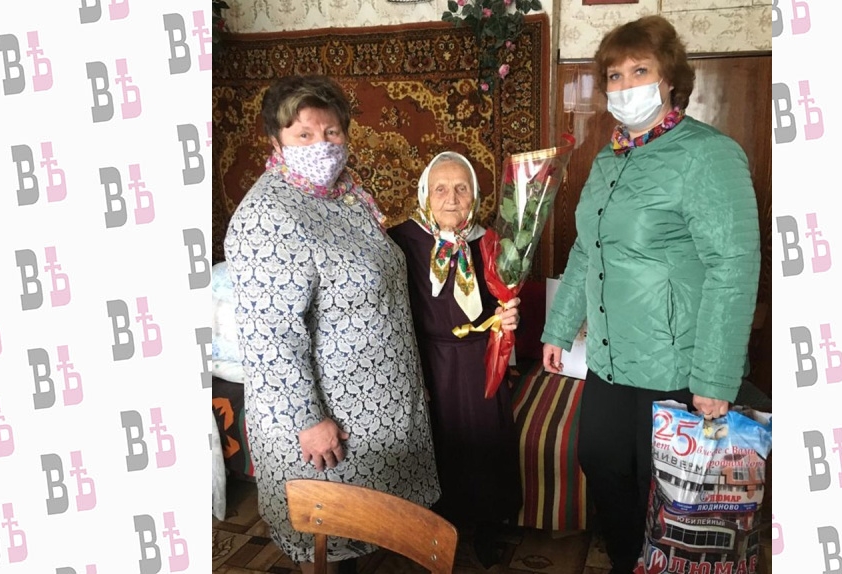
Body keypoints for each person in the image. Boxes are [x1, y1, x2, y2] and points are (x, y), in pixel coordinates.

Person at [540, 15, 760, 574]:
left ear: (670, 81)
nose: (625, 85)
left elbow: (734, 266)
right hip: (609, 357)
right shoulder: (609, 157)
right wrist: (557, 329)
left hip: (675, 362)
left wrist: (715, 378)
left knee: (665, 487)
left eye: (640, 71)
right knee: (600, 462)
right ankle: (627, 562)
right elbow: (586, 249)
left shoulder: (708, 154)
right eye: (614, 75)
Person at [224, 75, 440, 574]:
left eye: (332, 132)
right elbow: (269, 336)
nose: (321, 145)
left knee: (367, 533)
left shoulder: (344, 194)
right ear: (275, 141)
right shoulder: (268, 215)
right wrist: (308, 421)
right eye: (304, 134)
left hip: (374, 410)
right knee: (327, 541)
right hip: (328, 423)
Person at [388, 152, 522, 569]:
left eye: (461, 188)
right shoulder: (400, 241)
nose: (451, 198)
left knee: (485, 442)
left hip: (480, 360)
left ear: (475, 195)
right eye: (440, 189)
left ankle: (486, 529)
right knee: (436, 442)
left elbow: (503, 302)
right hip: (426, 360)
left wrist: (508, 318)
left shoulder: (492, 242)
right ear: (425, 195)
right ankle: (432, 531)